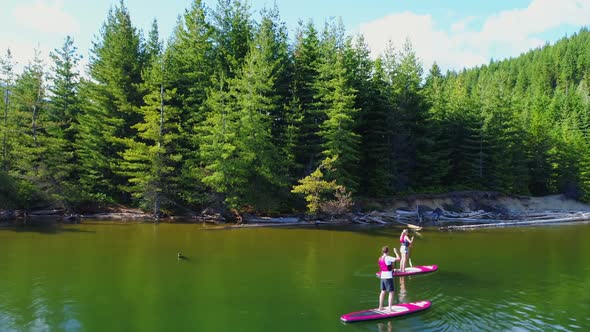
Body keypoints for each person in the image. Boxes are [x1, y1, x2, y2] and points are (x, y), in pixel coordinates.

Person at [378, 246, 400, 312]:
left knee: (383, 292)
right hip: (388, 277)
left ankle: (380, 307)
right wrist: (396, 252)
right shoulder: (388, 258)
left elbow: (387, 266)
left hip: (382, 277)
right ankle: (390, 308)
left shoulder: (380, 258)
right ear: (388, 251)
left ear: (382, 251)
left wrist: (393, 269)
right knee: (391, 292)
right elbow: (399, 259)